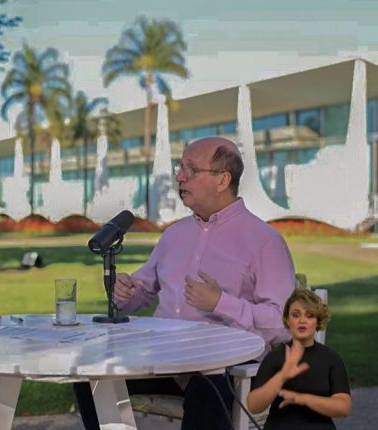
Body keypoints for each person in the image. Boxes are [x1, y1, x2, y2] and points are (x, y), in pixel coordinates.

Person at [74, 136, 296, 430]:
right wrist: (126, 292)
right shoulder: (174, 235)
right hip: (164, 360)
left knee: (207, 388)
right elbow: (142, 289)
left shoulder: (265, 241)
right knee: (90, 376)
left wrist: (221, 303)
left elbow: (282, 323)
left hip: (225, 368)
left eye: (191, 169)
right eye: (180, 168)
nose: (180, 177)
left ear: (222, 180)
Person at [247, 288, 351, 429]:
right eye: (296, 315)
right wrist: (282, 376)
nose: (302, 320)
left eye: (309, 315)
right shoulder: (275, 357)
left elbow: (344, 408)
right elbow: (254, 406)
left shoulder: (331, 359)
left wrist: (303, 399)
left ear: (318, 321)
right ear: (287, 320)